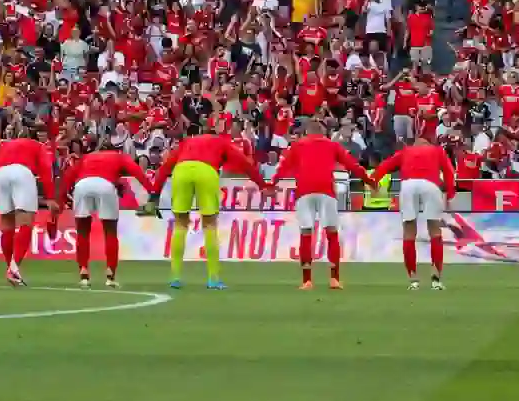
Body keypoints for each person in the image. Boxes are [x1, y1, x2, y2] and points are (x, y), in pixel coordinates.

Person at [149, 132, 269, 290]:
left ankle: (175, 277)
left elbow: (165, 168)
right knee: (209, 225)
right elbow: (245, 163)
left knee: (180, 224)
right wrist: (262, 184)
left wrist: (154, 194)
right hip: (206, 171)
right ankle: (213, 279)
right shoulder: (221, 142)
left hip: (181, 170)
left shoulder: (187, 142)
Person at [272, 120, 374, 290]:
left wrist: (271, 184)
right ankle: (334, 278)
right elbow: (352, 164)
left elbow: (283, 167)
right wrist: (369, 180)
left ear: (306, 132)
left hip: (304, 191)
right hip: (326, 190)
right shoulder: (332, 145)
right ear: (323, 132)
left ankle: (307, 281)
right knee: (331, 233)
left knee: (306, 232)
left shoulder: (298, 145)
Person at [57, 134, 151, 289]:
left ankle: (84, 272)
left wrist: (60, 199)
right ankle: (110, 274)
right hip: (106, 185)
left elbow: (68, 176)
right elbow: (137, 172)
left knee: (82, 231)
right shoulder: (119, 157)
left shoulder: (87, 157)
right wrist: (152, 190)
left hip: (82, 185)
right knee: (110, 232)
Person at [370, 134, 457, 290]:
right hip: (431, 184)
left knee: (409, 232)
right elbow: (449, 172)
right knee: (434, 231)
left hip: (409, 185)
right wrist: (450, 193)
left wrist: (374, 182)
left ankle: (414, 279)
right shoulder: (437, 151)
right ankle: (436, 279)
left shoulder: (406, 151)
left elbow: (385, 166)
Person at [0, 131, 57, 287]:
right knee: (25, 221)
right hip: (22, 172)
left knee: (7, 225)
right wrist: (50, 196)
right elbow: (46, 170)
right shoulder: (38, 146)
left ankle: (11, 268)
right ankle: (13, 269)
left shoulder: (4, 146)